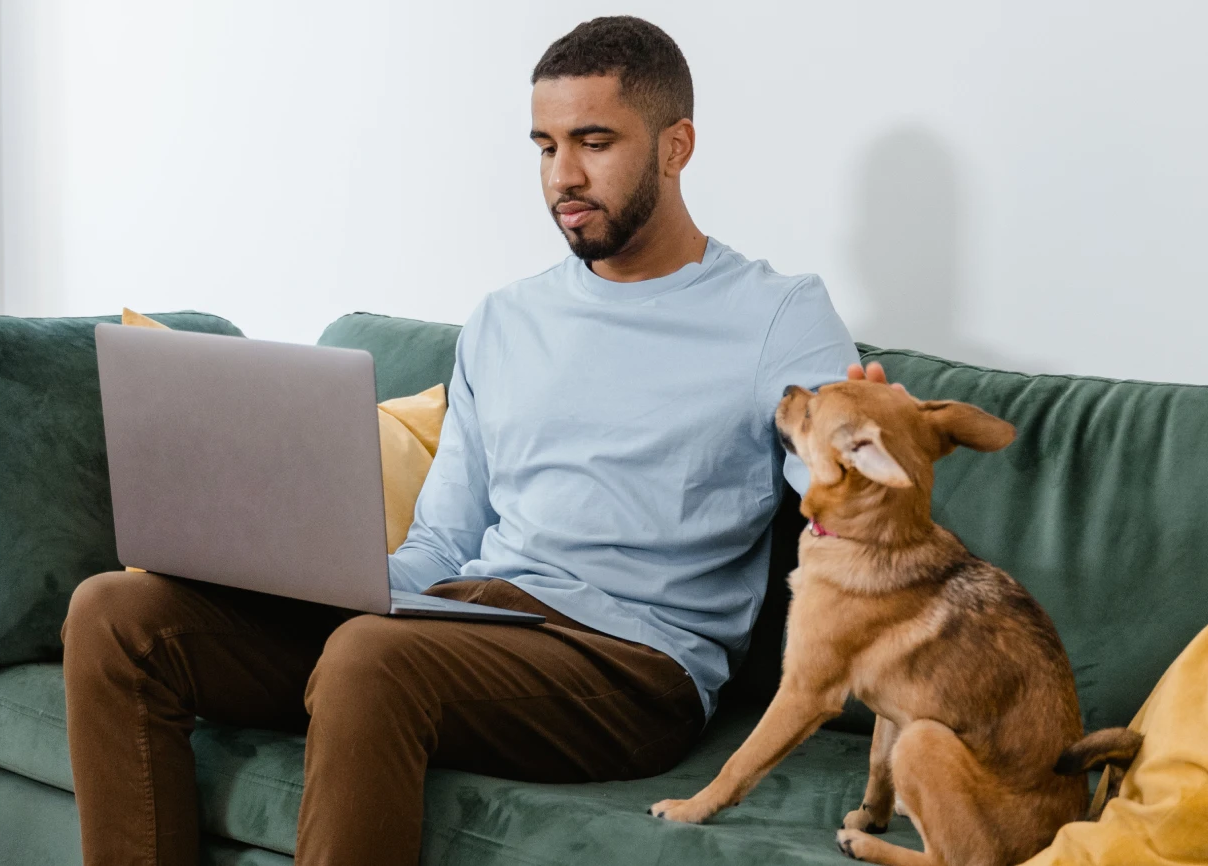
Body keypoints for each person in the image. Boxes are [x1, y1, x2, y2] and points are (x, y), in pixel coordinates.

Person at [62, 15, 862, 865]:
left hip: (635, 665)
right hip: (469, 616)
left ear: (677, 146)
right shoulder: (504, 319)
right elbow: (444, 539)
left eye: (594, 142)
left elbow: (845, 503)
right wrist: (305, 585)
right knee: (117, 614)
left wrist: (860, 450)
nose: (565, 176)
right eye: (546, 146)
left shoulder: (778, 315)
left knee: (372, 661)